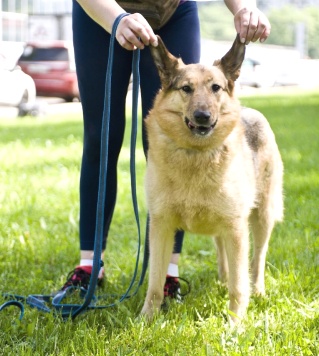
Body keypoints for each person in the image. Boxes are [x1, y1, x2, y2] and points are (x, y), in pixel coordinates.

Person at [60, 0, 271, 300]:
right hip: (101, 12)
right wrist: (117, 19)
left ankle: (167, 274)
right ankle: (89, 266)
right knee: (101, 135)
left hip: (174, 12)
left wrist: (242, 8)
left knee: (179, 133)